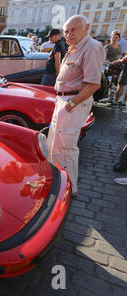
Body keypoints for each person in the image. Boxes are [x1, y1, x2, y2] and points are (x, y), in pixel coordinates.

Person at [47, 15, 105, 196]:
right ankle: (57, 183)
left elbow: (94, 84)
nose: (69, 34)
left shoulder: (92, 47)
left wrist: (71, 103)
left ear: (86, 28)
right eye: (66, 31)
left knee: (66, 147)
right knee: (54, 145)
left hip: (72, 102)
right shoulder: (74, 48)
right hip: (64, 100)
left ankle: (68, 189)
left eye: (73, 29)